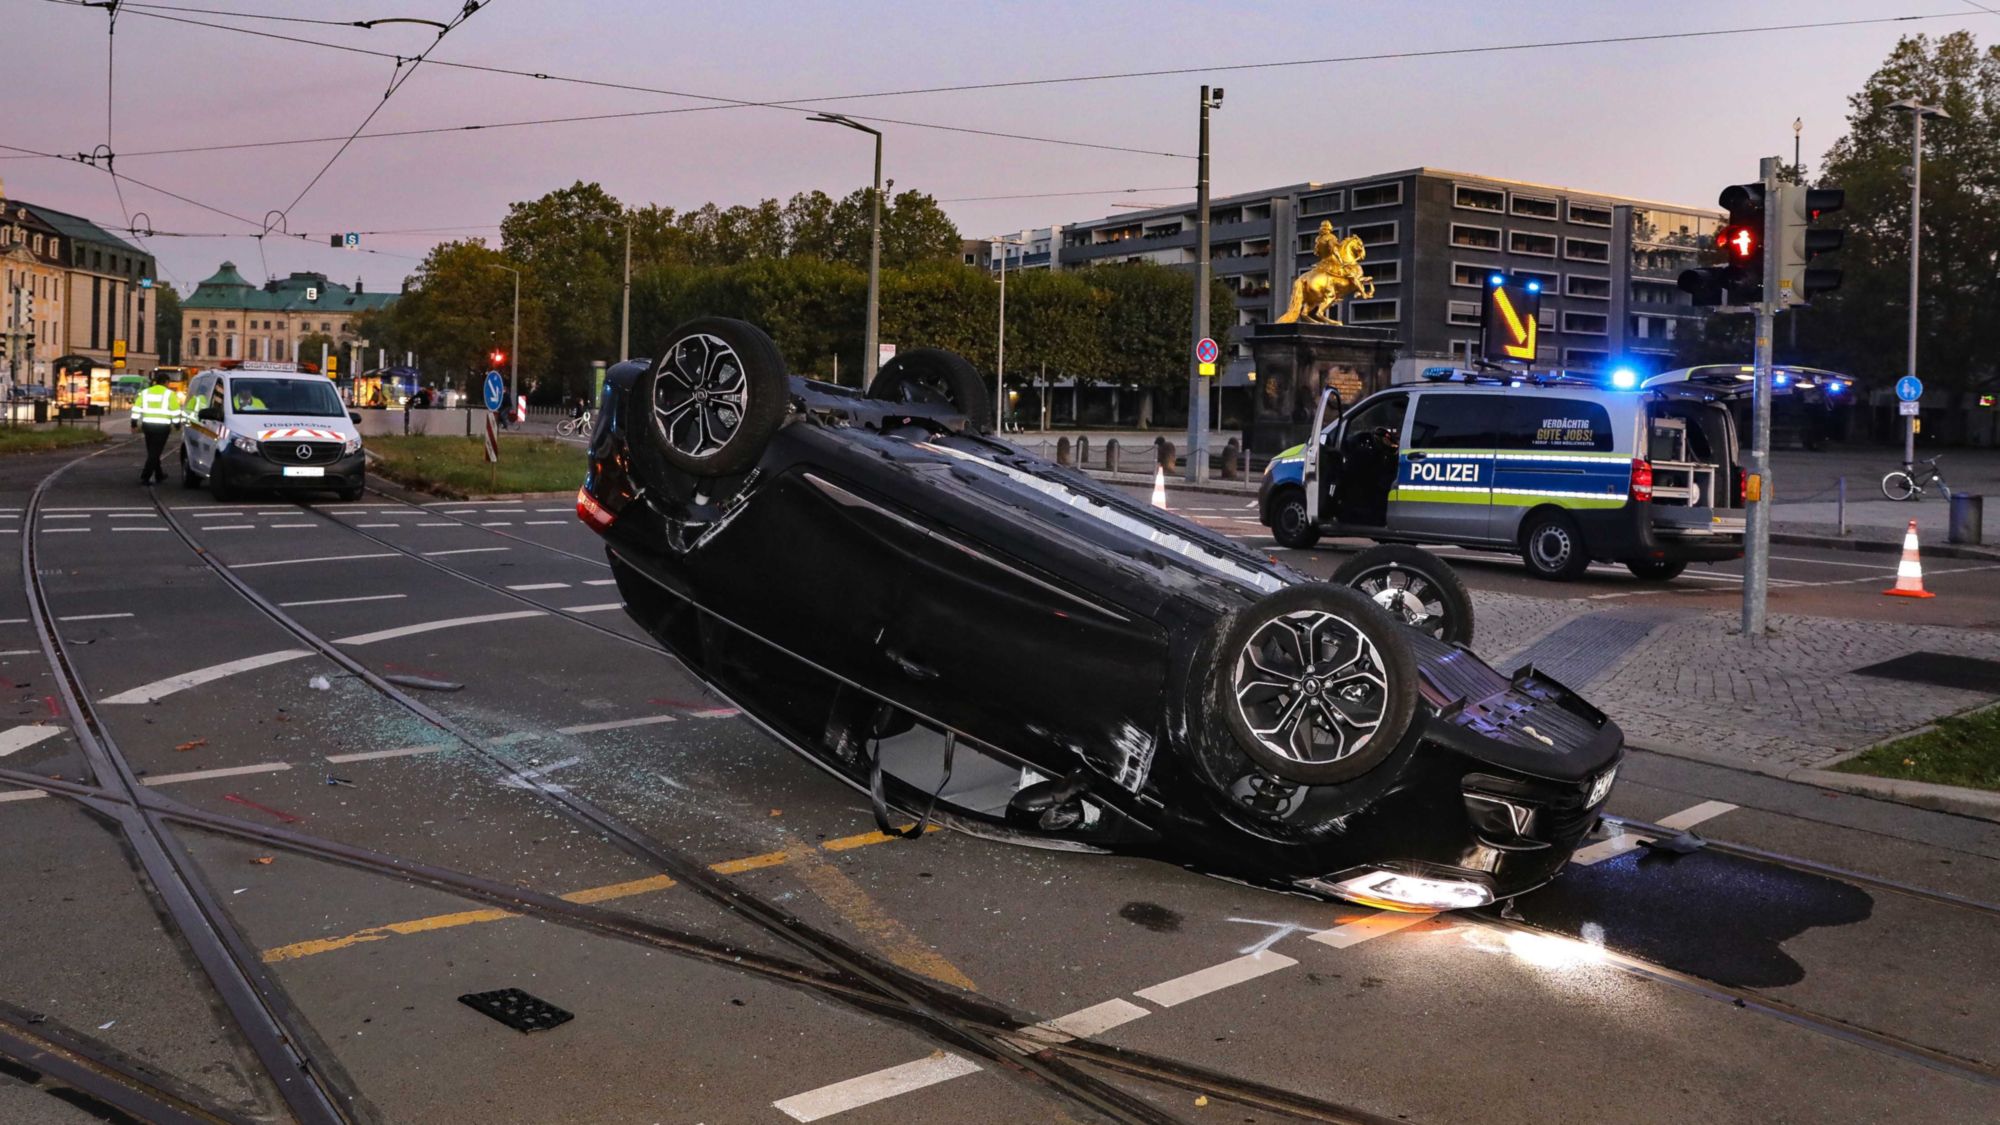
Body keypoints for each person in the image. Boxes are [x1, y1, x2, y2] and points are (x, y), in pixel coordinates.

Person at [129, 377, 183, 485]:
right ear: (166, 382)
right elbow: (175, 411)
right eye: (169, 383)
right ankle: (145, 476)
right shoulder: (169, 394)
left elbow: (136, 409)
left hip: (148, 426)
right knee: (155, 452)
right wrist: (177, 424)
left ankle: (159, 474)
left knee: (152, 451)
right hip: (162, 427)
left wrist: (134, 423)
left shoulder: (145, 392)